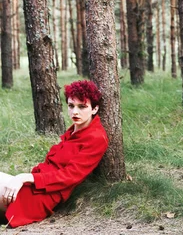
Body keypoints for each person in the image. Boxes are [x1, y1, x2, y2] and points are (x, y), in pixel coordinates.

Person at [0, 80, 109, 227]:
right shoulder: (75, 129)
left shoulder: (96, 138)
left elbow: (69, 176)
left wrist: (24, 177)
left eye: (82, 106)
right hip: (33, 185)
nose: (75, 112)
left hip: (43, 196)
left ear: (94, 109)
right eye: (71, 106)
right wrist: (23, 179)